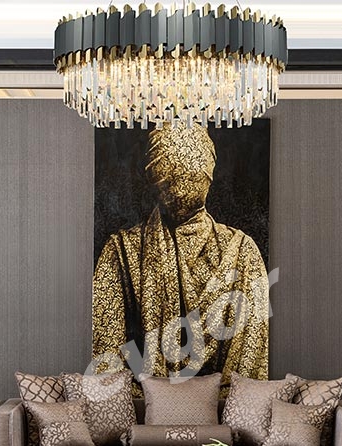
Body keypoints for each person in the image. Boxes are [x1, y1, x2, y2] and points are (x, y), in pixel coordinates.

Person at [92, 124, 269, 383]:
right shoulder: (121, 252)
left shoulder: (243, 252)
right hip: (145, 398)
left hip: (222, 401)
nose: (182, 186)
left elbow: (248, 366)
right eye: (171, 177)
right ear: (154, 179)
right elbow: (107, 365)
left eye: (190, 175)